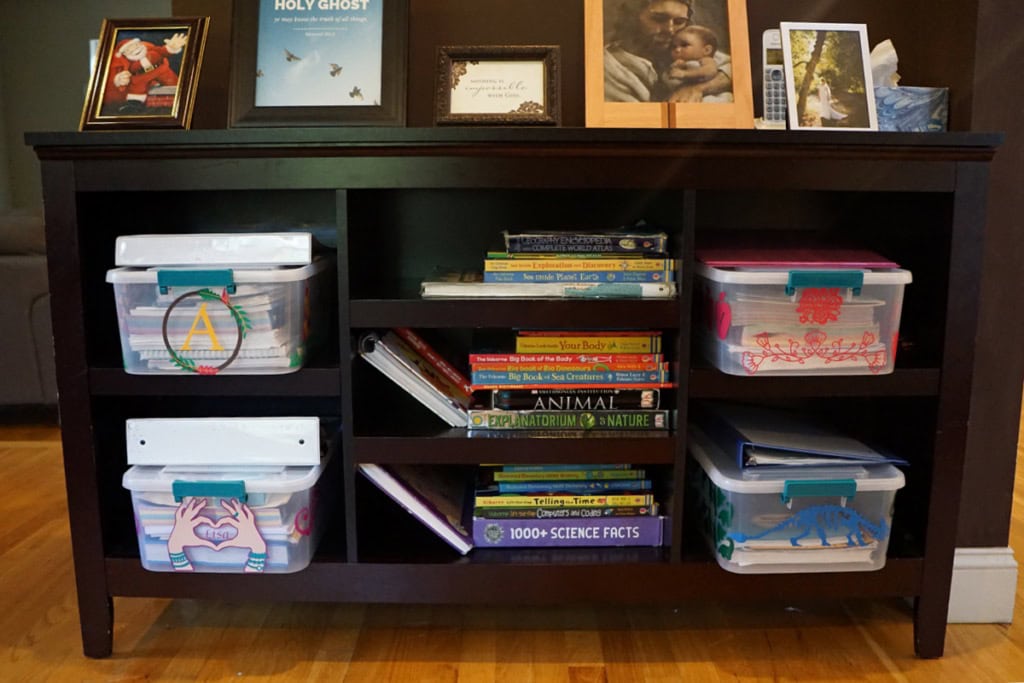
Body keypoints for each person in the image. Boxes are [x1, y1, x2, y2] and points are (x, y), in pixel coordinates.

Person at [603, 0, 731, 103]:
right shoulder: (608, 68)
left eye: (679, 22)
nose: (670, 30)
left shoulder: (681, 49)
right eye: (659, 19)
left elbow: (736, 69)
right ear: (632, 17)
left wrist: (697, 89)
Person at [102, 33, 187, 115]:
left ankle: (182, 100)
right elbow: (122, 70)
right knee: (136, 86)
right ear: (124, 54)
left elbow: (162, 51)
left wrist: (171, 48)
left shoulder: (152, 51)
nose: (133, 49)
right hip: (142, 76)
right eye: (128, 49)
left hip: (160, 70)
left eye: (134, 46)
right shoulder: (129, 62)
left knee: (172, 82)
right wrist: (120, 78)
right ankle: (134, 104)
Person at [662, 24, 734, 103]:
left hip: (712, 97)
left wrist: (685, 74)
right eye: (674, 47)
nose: (677, 50)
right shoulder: (678, 64)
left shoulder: (706, 60)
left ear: (706, 50)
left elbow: (709, 71)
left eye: (684, 45)